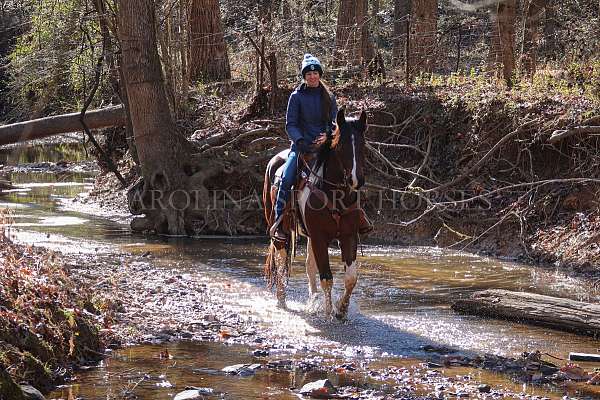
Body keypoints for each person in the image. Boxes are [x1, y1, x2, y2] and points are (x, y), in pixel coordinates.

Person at [270, 54, 373, 241]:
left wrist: (328, 134)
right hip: (301, 148)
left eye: (315, 73)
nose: (312, 77)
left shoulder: (329, 96)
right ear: (304, 77)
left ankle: (357, 214)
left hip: (325, 147)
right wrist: (300, 141)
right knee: (286, 179)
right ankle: (279, 223)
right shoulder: (296, 97)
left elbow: (335, 122)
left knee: (349, 172)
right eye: (308, 74)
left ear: (319, 74)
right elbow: (290, 124)